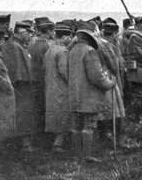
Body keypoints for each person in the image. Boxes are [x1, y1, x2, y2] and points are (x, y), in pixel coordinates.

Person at [68, 22, 114, 162]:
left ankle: (76, 156)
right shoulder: (90, 51)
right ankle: (86, 156)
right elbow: (96, 77)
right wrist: (110, 83)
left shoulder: (72, 50)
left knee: (76, 126)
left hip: (75, 95)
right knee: (89, 126)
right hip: (89, 96)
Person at [1, 21, 38, 152]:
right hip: (20, 87)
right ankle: (24, 144)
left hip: (25, 85)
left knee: (25, 114)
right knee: (22, 114)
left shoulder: (19, 45)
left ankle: (24, 143)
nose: (30, 37)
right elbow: (12, 70)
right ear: (22, 33)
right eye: (28, 33)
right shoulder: (12, 46)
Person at [43, 21, 73, 152]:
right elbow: (64, 72)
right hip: (61, 89)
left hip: (51, 87)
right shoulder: (63, 51)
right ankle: (58, 144)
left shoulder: (50, 49)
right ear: (65, 37)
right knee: (63, 115)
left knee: (54, 115)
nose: (70, 39)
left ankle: (54, 142)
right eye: (69, 37)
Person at [28, 17, 55, 135]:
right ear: (49, 31)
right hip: (44, 79)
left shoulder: (32, 42)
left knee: (37, 106)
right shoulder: (47, 45)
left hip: (34, 77)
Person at [124, 15, 142, 120]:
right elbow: (139, 54)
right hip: (139, 70)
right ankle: (136, 117)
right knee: (138, 95)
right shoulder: (135, 37)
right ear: (139, 26)